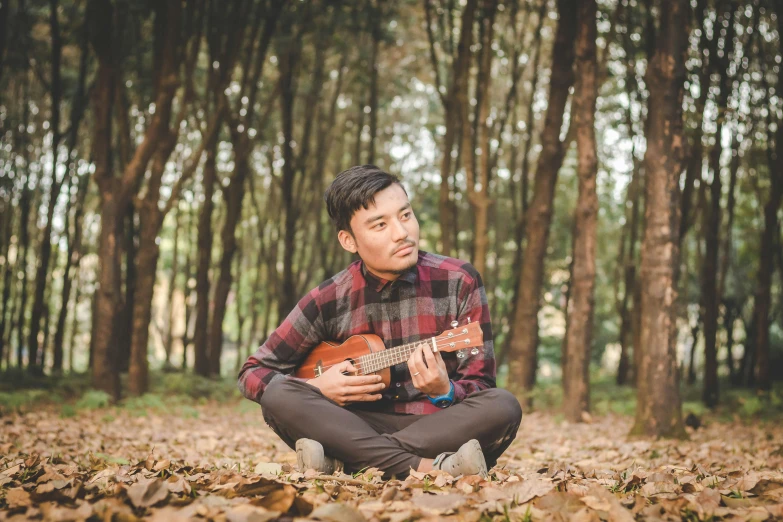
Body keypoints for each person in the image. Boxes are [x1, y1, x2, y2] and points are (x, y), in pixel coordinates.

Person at [238, 165, 522, 479]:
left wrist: (446, 390)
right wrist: (317, 387)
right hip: (352, 425)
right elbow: (253, 372)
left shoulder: (458, 280)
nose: (402, 233)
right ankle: (430, 468)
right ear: (348, 240)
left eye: (405, 215)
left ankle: (346, 462)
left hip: (435, 426)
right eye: (380, 225)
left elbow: (481, 384)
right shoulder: (329, 298)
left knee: (503, 406)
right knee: (279, 396)